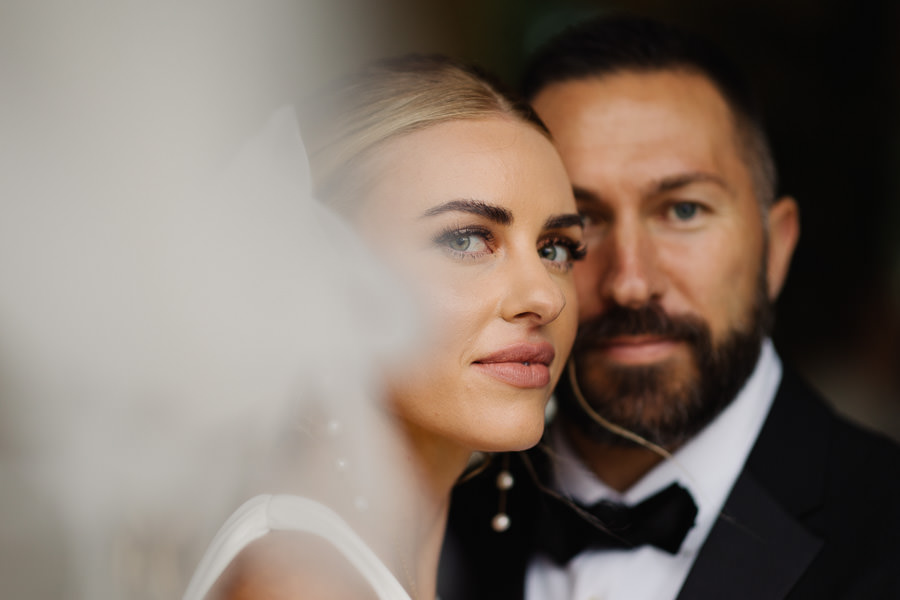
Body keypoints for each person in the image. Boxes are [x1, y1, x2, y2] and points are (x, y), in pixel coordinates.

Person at [441, 16, 900, 600]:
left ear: (776, 248)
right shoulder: (431, 522)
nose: (632, 283)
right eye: (575, 228)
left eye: (683, 211)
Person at [182, 55, 585, 600]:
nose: (545, 297)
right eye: (465, 239)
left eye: (556, 248)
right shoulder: (304, 585)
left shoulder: (369, 560)